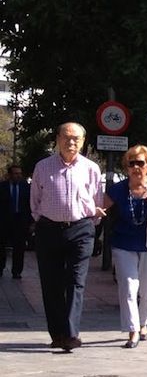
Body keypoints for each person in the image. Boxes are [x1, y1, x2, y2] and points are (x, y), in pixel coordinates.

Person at [30, 122, 108, 352]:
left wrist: (91, 222)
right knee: (51, 283)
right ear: (57, 139)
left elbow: (97, 200)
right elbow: (35, 200)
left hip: (81, 230)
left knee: (76, 281)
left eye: (76, 139)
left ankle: (72, 334)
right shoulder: (42, 167)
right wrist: (40, 220)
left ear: (83, 142)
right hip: (49, 230)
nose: (71, 142)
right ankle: (57, 334)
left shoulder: (91, 168)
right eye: (66, 137)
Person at [102, 145, 147, 348]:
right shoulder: (118, 189)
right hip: (124, 244)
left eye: (140, 163)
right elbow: (99, 206)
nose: (136, 167)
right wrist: (96, 213)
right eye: (131, 163)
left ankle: (144, 323)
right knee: (128, 287)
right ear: (126, 167)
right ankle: (133, 330)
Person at [0, 164, 33, 280]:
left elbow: (31, 205)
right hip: (4, 221)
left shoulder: (26, 187)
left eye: (20, 173)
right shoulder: (2, 187)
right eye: (15, 173)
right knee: (1, 245)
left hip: (20, 221)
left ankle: (17, 271)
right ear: (9, 175)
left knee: (19, 247)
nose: (18, 176)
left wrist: (31, 223)